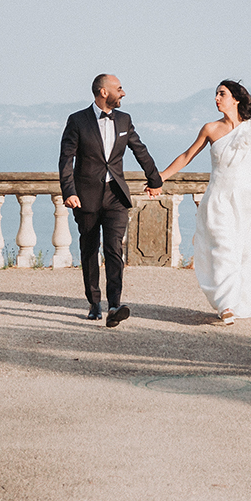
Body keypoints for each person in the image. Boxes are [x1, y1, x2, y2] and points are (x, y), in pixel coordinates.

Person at [156, 80, 251, 324]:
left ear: (236, 99)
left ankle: (238, 301)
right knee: (222, 248)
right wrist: (160, 178)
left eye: (222, 94)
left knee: (242, 251)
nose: (217, 98)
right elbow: (187, 156)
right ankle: (225, 304)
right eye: (216, 94)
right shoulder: (210, 128)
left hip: (245, 199)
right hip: (218, 198)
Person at [59, 73, 163, 327]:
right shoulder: (77, 120)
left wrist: (155, 180)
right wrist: (69, 191)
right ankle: (94, 302)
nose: (123, 93)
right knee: (89, 249)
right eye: (119, 88)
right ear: (103, 92)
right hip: (86, 197)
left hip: (116, 195)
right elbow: (66, 159)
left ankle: (115, 304)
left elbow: (140, 149)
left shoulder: (125, 119)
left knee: (114, 248)